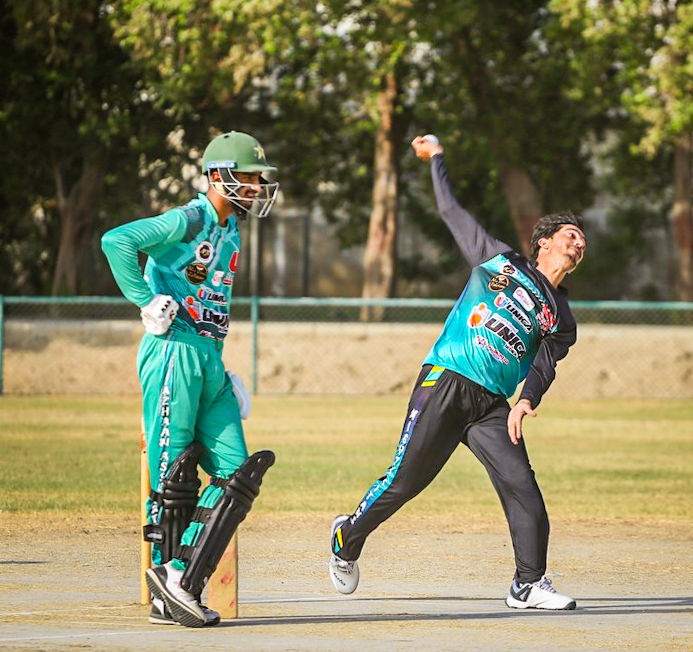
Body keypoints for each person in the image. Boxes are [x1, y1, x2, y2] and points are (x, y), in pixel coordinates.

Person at [328, 135, 586, 610]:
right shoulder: (499, 260)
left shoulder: (562, 317)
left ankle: (527, 584)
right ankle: (346, 537)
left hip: (491, 406)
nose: (579, 243)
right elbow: (450, 210)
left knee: (523, 488)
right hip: (446, 380)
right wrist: (438, 159)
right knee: (405, 482)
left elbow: (544, 365)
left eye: (583, 240)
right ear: (544, 242)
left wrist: (526, 402)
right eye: (571, 235)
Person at [101, 131, 279, 627]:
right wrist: (145, 300)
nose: (256, 187)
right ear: (218, 176)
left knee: (238, 473)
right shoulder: (192, 218)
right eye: (248, 177)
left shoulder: (231, 229)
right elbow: (117, 241)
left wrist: (220, 368)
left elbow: (210, 298)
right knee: (173, 475)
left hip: (207, 360)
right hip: (172, 352)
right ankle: (166, 594)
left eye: (258, 179)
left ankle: (180, 577)